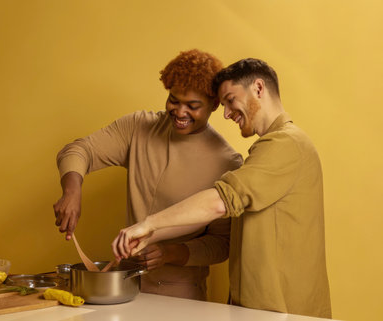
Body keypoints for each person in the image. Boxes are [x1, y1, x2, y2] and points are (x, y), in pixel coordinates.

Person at [112, 58, 332, 318]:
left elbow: (220, 201)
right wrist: (154, 235)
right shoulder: (272, 148)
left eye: (230, 100)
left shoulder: (286, 144)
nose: (226, 113)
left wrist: (148, 224)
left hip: (283, 310)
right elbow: (224, 217)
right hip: (261, 308)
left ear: (258, 88)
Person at [53, 49, 243, 300]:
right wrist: (72, 191)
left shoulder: (226, 162)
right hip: (125, 285)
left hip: (181, 297)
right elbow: (79, 150)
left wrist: (169, 253)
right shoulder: (138, 128)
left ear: (214, 104)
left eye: (193, 106)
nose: (180, 112)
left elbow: (221, 244)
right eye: (174, 100)